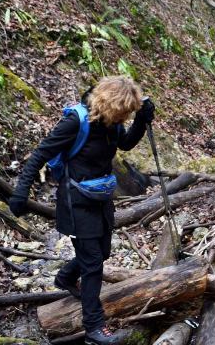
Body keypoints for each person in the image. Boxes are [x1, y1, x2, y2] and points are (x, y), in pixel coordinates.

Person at [9, 76, 154, 345]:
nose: (124, 118)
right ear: (111, 104)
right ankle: (94, 327)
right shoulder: (76, 121)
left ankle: (65, 277)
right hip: (75, 200)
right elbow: (40, 154)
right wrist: (21, 192)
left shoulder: (111, 122)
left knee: (103, 252)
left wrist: (141, 121)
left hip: (101, 197)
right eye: (124, 112)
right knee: (93, 264)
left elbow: (125, 143)